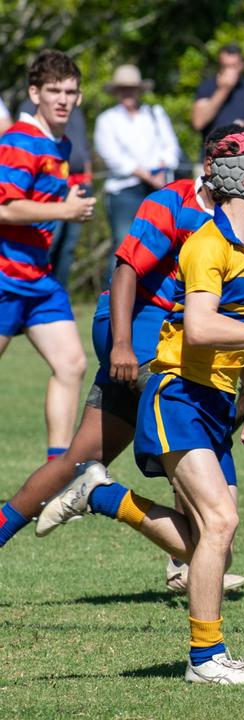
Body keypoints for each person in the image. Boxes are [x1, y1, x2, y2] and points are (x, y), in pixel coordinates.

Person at [38, 130, 244, 683]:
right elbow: (198, 328)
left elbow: (240, 332)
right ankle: (204, 659)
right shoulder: (205, 244)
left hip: (220, 401)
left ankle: (101, 495)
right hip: (178, 394)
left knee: (212, 543)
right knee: (220, 521)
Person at [0, 128, 244, 584]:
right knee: (204, 481)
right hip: (134, 330)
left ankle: (99, 498)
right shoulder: (171, 202)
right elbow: (126, 269)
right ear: (213, 164)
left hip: (175, 345)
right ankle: (183, 560)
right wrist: (123, 346)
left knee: (77, 458)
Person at [0, 49, 92, 467]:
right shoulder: (20, 142)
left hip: (37, 278)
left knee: (72, 364)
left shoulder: (61, 142)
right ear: (33, 92)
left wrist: (65, 202)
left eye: (70, 91)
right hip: (5, 278)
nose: (63, 98)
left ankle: (56, 475)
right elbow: (4, 208)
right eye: (53, 90)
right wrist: (64, 210)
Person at [95, 64, 182, 282]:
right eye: (123, 89)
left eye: (131, 88)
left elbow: (171, 147)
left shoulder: (155, 113)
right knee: (124, 243)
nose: (128, 93)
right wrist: (145, 174)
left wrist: (162, 168)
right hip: (124, 190)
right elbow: (113, 157)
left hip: (158, 186)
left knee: (161, 242)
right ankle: (113, 297)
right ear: (116, 91)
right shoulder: (107, 120)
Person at [18, 95, 89, 288]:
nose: (64, 98)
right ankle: (37, 290)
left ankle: (57, 291)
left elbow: (82, 145)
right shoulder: (30, 107)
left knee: (67, 248)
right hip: (50, 183)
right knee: (49, 242)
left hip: (78, 183)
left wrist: (87, 174)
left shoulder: (75, 110)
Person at [192, 44, 244, 141]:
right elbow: (198, 123)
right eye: (225, 66)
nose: (229, 71)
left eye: (233, 66)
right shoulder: (207, 87)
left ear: (242, 65)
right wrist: (223, 90)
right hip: (215, 153)